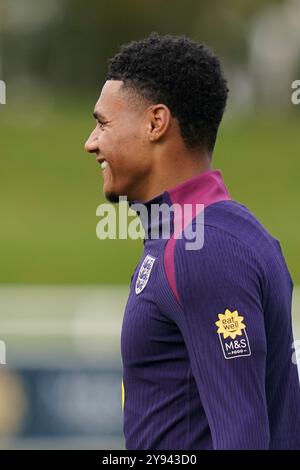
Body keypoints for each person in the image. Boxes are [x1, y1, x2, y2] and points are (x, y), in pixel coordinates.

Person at [85, 32, 300, 450]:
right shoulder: (194, 237)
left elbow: (243, 439)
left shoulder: (204, 249)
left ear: (156, 123)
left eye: (102, 123)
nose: (91, 142)